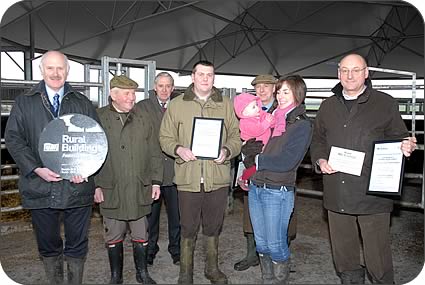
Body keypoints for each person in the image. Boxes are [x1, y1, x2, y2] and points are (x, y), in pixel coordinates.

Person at [310, 53, 417, 284]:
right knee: (344, 252)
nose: (350, 75)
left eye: (356, 70)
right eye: (345, 70)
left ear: (366, 73)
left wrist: (405, 146)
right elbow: (317, 140)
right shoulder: (327, 106)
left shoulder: (384, 103)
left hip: (373, 193)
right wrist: (320, 160)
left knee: (377, 255)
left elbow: (399, 138)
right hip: (337, 190)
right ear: (338, 73)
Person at [4, 50, 98, 284]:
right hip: (40, 186)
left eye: (60, 68)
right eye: (50, 68)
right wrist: (35, 168)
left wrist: (85, 169)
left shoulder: (82, 102)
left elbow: (95, 140)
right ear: (42, 70)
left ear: (67, 71)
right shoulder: (24, 103)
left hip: (77, 188)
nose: (55, 73)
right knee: (48, 244)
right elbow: (14, 139)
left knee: (77, 244)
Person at [159, 60, 241, 284]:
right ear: (193, 77)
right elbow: (165, 137)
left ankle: (212, 269)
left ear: (214, 78)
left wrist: (227, 150)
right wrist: (178, 149)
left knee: (214, 225)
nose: (206, 78)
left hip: (217, 176)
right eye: (201, 74)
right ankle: (186, 272)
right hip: (188, 177)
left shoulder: (225, 104)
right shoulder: (177, 105)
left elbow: (236, 135)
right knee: (188, 226)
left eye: (210, 75)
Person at [94, 75, 163, 284]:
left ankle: (142, 273)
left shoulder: (143, 117)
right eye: (127, 93)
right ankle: (116, 276)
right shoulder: (99, 118)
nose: (132, 97)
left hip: (138, 186)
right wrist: (95, 184)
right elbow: (90, 153)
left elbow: (154, 151)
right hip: (111, 187)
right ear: (113, 95)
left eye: (133, 93)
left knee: (141, 232)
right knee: (113, 234)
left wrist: (156, 181)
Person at [244, 75, 312, 284]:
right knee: (261, 244)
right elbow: (257, 144)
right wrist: (246, 150)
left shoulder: (301, 126)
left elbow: (287, 161)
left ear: (297, 95)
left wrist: (256, 159)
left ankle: (279, 280)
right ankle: (267, 279)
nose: (280, 96)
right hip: (257, 187)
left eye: (286, 92)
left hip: (277, 190)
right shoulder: (273, 119)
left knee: (275, 244)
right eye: (279, 91)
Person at [233, 74, 278, 272]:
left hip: (276, 170)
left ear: (274, 88)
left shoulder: (282, 108)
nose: (262, 90)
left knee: (278, 215)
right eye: (258, 87)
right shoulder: (247, 111)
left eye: (266, 86)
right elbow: (241, 143)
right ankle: (253, 253)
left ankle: (278, 257)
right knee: (251, 214)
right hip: (252, 168)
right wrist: (242, 171)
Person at [137, 72, 181, 267]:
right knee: (150, 216)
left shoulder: (180, 106)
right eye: (161, 86)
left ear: (173, 88)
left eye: (168, 86)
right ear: (155, 87)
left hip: (174, 170)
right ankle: (149, 250)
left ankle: (177, 250)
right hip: (151, 172)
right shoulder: (143, 107)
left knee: (177, 216)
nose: (164, 90)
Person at [233, 92, 275, 187]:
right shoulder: (245, 122)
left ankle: (247, 178)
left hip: (261, 147)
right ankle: (243, 177)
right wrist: (266, 123)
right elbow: (257, 130)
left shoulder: (259, 116)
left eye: (256, 105)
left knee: (259, 166)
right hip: (253, 150)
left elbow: (271, 122)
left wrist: (270, 119)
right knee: (253, 167)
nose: (257, 108)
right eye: (253, 107)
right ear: (243, 112)